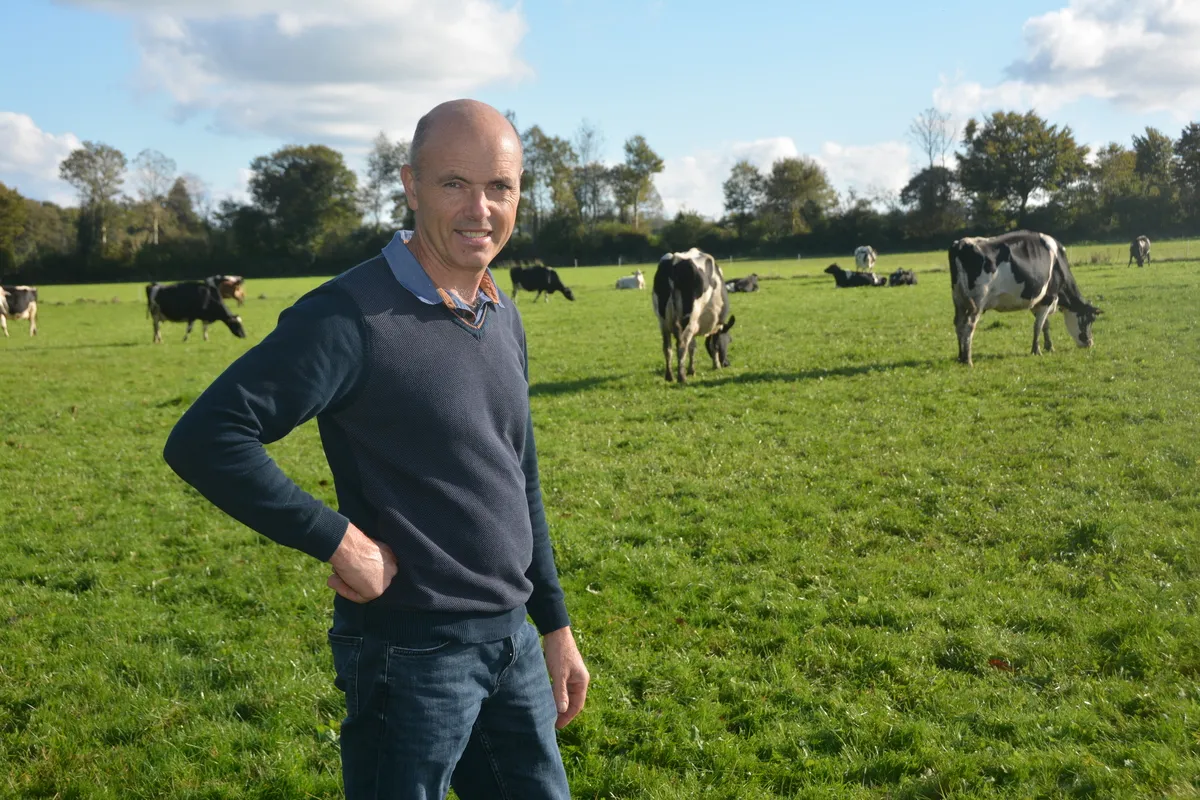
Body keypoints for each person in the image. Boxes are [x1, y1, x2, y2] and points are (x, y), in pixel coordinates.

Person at [163, 99, 589, 799]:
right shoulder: (348, 315)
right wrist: (339, 541)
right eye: (454, 183)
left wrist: (555, 623)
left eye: (500, 187)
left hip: (510, 642)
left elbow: (520, 477)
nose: (480, 209)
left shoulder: (501, 312)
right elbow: (208, 437)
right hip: (411, 653)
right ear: (411, 185)